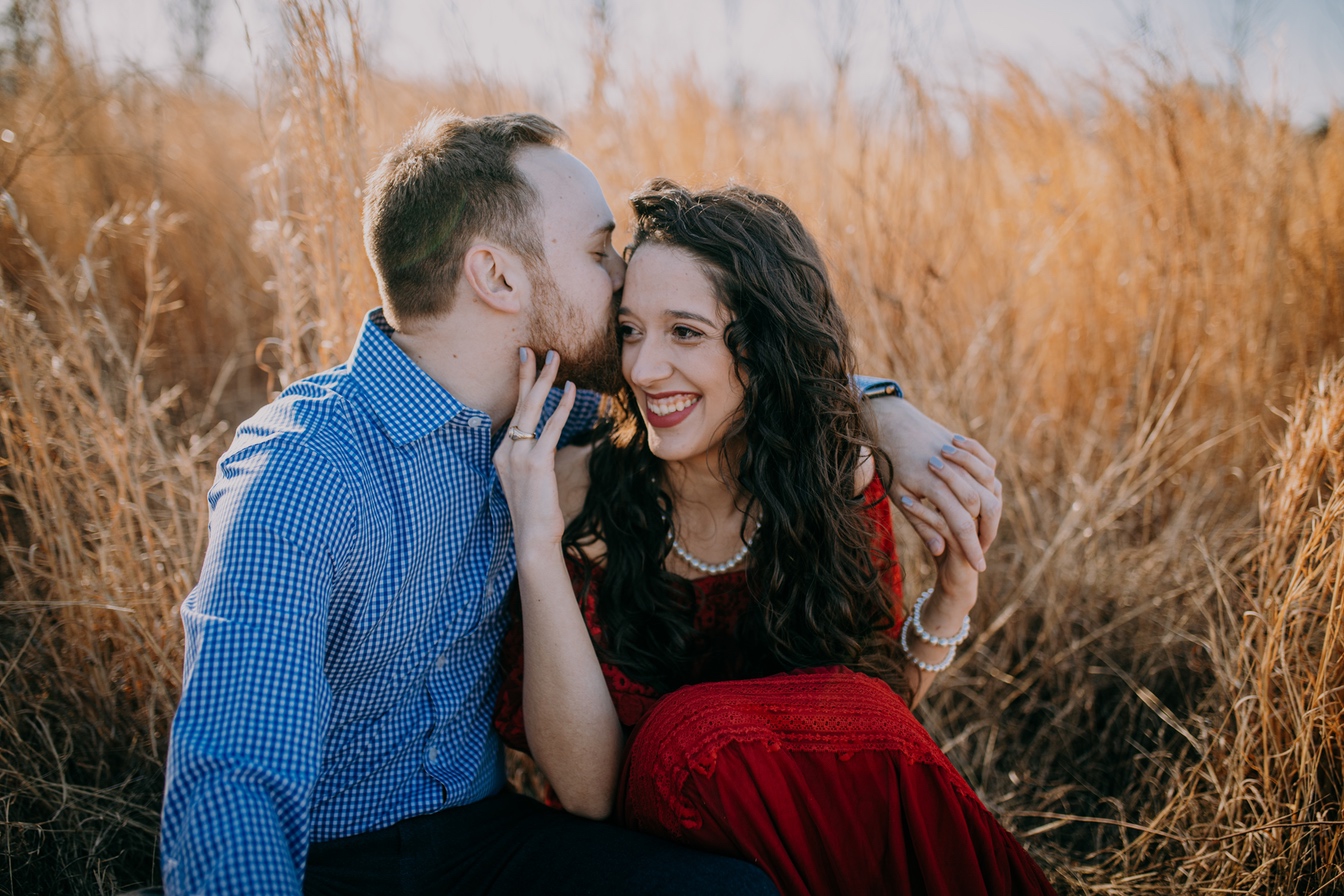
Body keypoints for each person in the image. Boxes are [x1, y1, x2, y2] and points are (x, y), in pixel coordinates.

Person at [158, 112, 999, 895]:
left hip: (490, 840)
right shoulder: (303, 470)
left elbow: (745, 384)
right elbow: (233, 777)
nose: (622, 274)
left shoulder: (557, 412)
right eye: (599, 253)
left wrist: (889, 413)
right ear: (495, 274)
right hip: (334, 861)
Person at [493, 181, 1052, 895]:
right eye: (631, 330)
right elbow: (587, 794)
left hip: (799, 857)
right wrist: (538, 548)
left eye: (685, 332)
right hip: (651, 864)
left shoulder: (829, 478)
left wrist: (953, 593)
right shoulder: (571, 491)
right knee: (685, 738)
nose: (642, 368)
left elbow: (855, 729)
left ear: (762, 349)